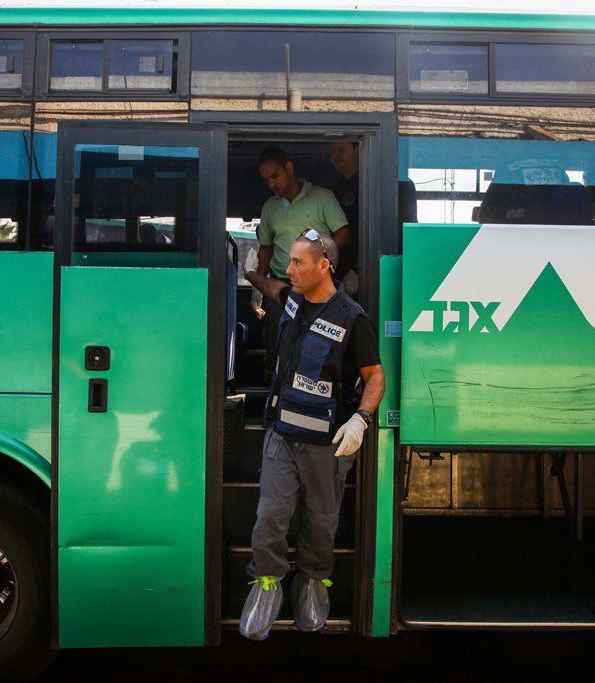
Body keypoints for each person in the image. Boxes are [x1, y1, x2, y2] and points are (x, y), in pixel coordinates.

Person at [239, 229, 385, 641]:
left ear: (324, 265)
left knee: (321, 524)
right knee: (270, 516)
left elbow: (375, 378)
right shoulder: (290, 299)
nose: (290, 269)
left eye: (298, 263)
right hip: (282, 434)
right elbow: (270, 284)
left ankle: (313, 582)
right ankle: (267, 585)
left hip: (326, 445)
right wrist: (251, 273)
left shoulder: (353, 319)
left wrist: (360, 420)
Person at [252, 145, 351, 383]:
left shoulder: (322, 197)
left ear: (289, 167)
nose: (272, 184)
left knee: (316, 342)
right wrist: (258, 289)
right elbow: (265, 249)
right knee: (279, 340)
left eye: (275, 176)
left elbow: (344, 234)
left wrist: (318, 260)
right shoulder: (270, 207)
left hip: (317, 284)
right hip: (281, 285)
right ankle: (277, 397)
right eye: (266, 180)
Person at [329, 140, 360, 295]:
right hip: (340, 269)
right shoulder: (339, 186)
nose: (336, 156)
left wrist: (356, 268)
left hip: (362, 271)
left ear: (359, 150)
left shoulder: (370, 183)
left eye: (342, 149)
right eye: (333, 151)